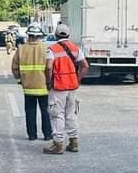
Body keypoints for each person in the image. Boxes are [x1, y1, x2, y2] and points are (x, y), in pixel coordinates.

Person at [45, 23, 88, 155]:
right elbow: (85, 66)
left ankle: (58, 144)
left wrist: (48, 82)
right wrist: (77, 79)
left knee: (57, 114)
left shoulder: (52, 49)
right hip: (72, 87)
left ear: (55, 35)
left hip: (58, 87)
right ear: (68, 35)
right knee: (71, 114)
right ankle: (74, 142)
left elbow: (48, 67)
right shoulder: (76, 48)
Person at [11, 24, 52, 142]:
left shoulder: (21, 49)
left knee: (30, 111)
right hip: (44, 87)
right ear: (40, 35)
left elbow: (14, 67)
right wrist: (50, 82)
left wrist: (19, 80)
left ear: (28, 35)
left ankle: (32, 135)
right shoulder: (46, 48)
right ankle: (48, 134)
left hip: (28, 87)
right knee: (45, 111)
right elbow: (50, 68)